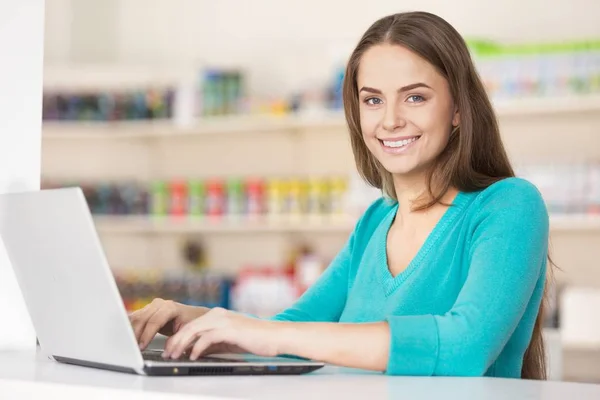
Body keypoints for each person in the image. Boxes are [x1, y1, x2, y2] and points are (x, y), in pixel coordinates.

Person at [129, 11, 552, 379]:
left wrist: (266, 333)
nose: (390, 120)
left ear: (459, 108)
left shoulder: (509, 205)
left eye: (416, 97)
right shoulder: (374, 222)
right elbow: (295, 331)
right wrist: (196, 320)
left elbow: (465, 347)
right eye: (372, 100)